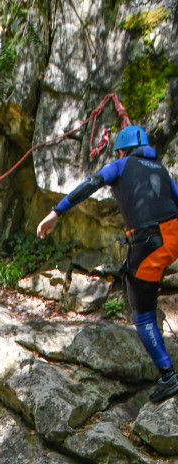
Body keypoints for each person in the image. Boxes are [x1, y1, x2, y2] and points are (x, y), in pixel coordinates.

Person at [37, 124, 178, 402]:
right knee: (148, 281)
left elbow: (91, 184)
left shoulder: (121, 165)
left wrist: (56, 212)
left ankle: (168, 376)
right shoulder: (160, 169)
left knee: (143, 314)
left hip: (151, 242)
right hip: (173, 236)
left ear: (122, 150)